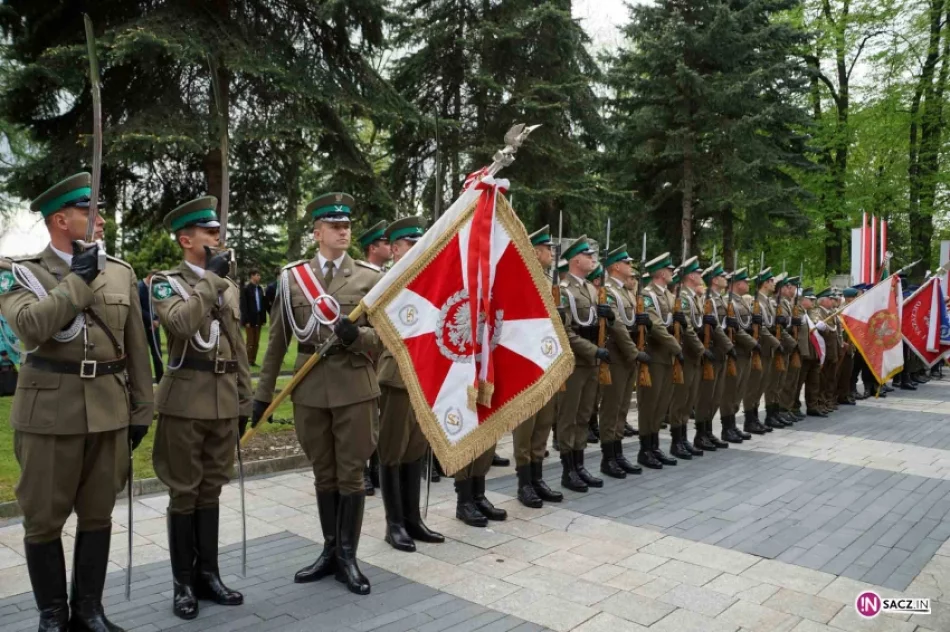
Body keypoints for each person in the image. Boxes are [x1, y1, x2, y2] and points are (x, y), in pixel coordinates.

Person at [0, 172, 153, 632]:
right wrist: (76, 282)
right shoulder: (19, 273)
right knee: (44, 518)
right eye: (89, 211)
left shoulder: (121, 272)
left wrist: (142, 409)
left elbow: (136, 349)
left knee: (97, 513)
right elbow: (29, 327)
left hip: (108, 410)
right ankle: (53, 616)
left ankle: (89, 611)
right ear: (61, 219)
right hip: (50, 413)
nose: (100, 219)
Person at [252, 192, 382, 595]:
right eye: (335, 226)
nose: (344, 231)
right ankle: (329, 551)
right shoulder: (293, 277)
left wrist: (356, 336)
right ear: (317, 231)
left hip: (354, 388)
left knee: (351, 474)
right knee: (323, 472)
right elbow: (276, 343)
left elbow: (389, 340)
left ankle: (348, 555)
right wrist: (261, 397)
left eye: (347, 225)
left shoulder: (369, 277)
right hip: (309, 391)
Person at [150, 196, 251, 619]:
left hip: (224, 398)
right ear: (186, 239)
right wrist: (210, 280)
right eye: (209, 233)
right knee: (184, 491)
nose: (217, 237)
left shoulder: (229, 287)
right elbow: (179, 325)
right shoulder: (163, 282)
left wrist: (245, 396)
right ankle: (183, 584)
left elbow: (238, 346)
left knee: (211, 489)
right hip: (185, 401)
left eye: (218, 231)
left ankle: (208, 574)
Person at [374, 217, 444, 547]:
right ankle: (394, 524)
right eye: (410, 244)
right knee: (391, 449)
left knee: (416, 446)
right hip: (396, 376)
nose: (418, 250)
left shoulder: (429, 280)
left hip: (424, 375)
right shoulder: (385, 283)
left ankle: (413, 519)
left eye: (420, 243)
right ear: (396, 249)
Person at [512, 227, 568, 508]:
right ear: (535, 252)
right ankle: (524, 482)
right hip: (526, 361)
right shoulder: (520, 279)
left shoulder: (548, 281)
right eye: (548, 249)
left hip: (547, 360)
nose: (552, 253)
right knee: (526, 423)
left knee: (545, 420)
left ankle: (537, 476)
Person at [556, 236, 615, 491]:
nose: (593, 259)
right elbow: (565, 331)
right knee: (568, 418)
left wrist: (609, 317)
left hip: (592, 361)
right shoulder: (563, 289)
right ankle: (567, 470)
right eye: (588, 255)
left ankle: (579, 465)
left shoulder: (593, 289)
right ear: (575, 259)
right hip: (576, 362)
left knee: (583, 416)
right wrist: (594, 351)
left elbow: (599, 324)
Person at [598, 245, 649, 478]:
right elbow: (617, 326)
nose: (631, 267)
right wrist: (634, 352)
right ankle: (608, 458)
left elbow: (630, 322)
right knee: (611, 408)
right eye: (627, 263)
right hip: (617, 356)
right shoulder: (607, 292)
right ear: (616, 267)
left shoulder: (629, 292)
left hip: (628, 356)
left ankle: (617, 453)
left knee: (621, 409)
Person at [637, 253, 682, 469]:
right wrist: (677, 347)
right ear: (662, 273)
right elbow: (656, 327)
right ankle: (645, 450)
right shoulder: (647, 295)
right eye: (670, 270)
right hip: (654, 357)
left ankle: (654, 446)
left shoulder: (670, 296)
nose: (673, 273)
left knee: (661, 404)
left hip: (668, 358)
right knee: (650, 405)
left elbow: (679, 323)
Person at [356, 221, 390, 495]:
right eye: (386, 243)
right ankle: (361, 470)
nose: (390, 248)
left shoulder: (388, 276)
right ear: (373, 247)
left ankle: (377, 466)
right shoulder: (359, 278)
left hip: (384, 354)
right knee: (362, 417)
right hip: (364, 355)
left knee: (380, 415)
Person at [669, 257, 712, 459]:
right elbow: (686, 329)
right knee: (681, 399)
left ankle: (683, 438)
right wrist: (702, 349)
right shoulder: (683, 298)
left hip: (694, 354)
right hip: (686, 352)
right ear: (689, 276)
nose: (700, 275)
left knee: (689, 399)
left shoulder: (694, 297)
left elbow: (696, 325)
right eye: (697, 272)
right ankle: (676, 441)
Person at [694, 263, 738, 446]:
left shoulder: (720, 299)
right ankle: (700, 434)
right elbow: (715, 328)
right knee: (706, 396)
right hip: (712, 350)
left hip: (721, 353)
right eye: (722, 277)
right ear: (714, 280)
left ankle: (709, 431)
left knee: (716, 396)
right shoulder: (708, 299)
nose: (725, 279)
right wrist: (729, 346)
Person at [719, 268, 765, 435]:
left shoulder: (743, 301)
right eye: (745, 281)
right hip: (736, 351)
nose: (748, 284)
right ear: (738, 284)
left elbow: (745, 325)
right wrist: (752, 343)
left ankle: (732, 425)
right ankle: (727, 426)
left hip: (745, 352)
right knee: (730, 390)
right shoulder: (728, 301)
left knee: (739, 389)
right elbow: (735, 329)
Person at [743, 268, 784, 430]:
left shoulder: (767, 301)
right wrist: (775, 342)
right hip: (760, 348)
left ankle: (755, 418)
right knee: (753, 385)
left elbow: (770, 324)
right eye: (772, 281)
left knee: (761, 385)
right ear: (765, 283)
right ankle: (749, 419)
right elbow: (761, 328)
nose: (774, 284)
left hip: (768, 349)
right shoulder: (756, 302)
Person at [138, 270, 164, 381]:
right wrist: (150, 320)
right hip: (142, 326)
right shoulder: (139, 287)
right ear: (149, 277)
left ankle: (160, 380)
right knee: (142, 355)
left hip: (154, 326)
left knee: (157, 354)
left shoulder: (156, 288)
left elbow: (161, 304)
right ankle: (143, 381)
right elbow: (138, 308)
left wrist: (158, 321)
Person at [240, 269, 266, 366]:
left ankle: (252, 360)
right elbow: (244, 306)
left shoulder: (259, 289)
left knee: (256, 341)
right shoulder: (246, 289)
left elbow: (262, 304)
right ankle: (247, 360)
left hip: (258, 317)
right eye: (257, 275)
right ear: (252, 276)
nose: (259, 277)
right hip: (250, 318)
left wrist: (263, 319)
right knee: (250, 341)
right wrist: (245, 320)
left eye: (259, 275)